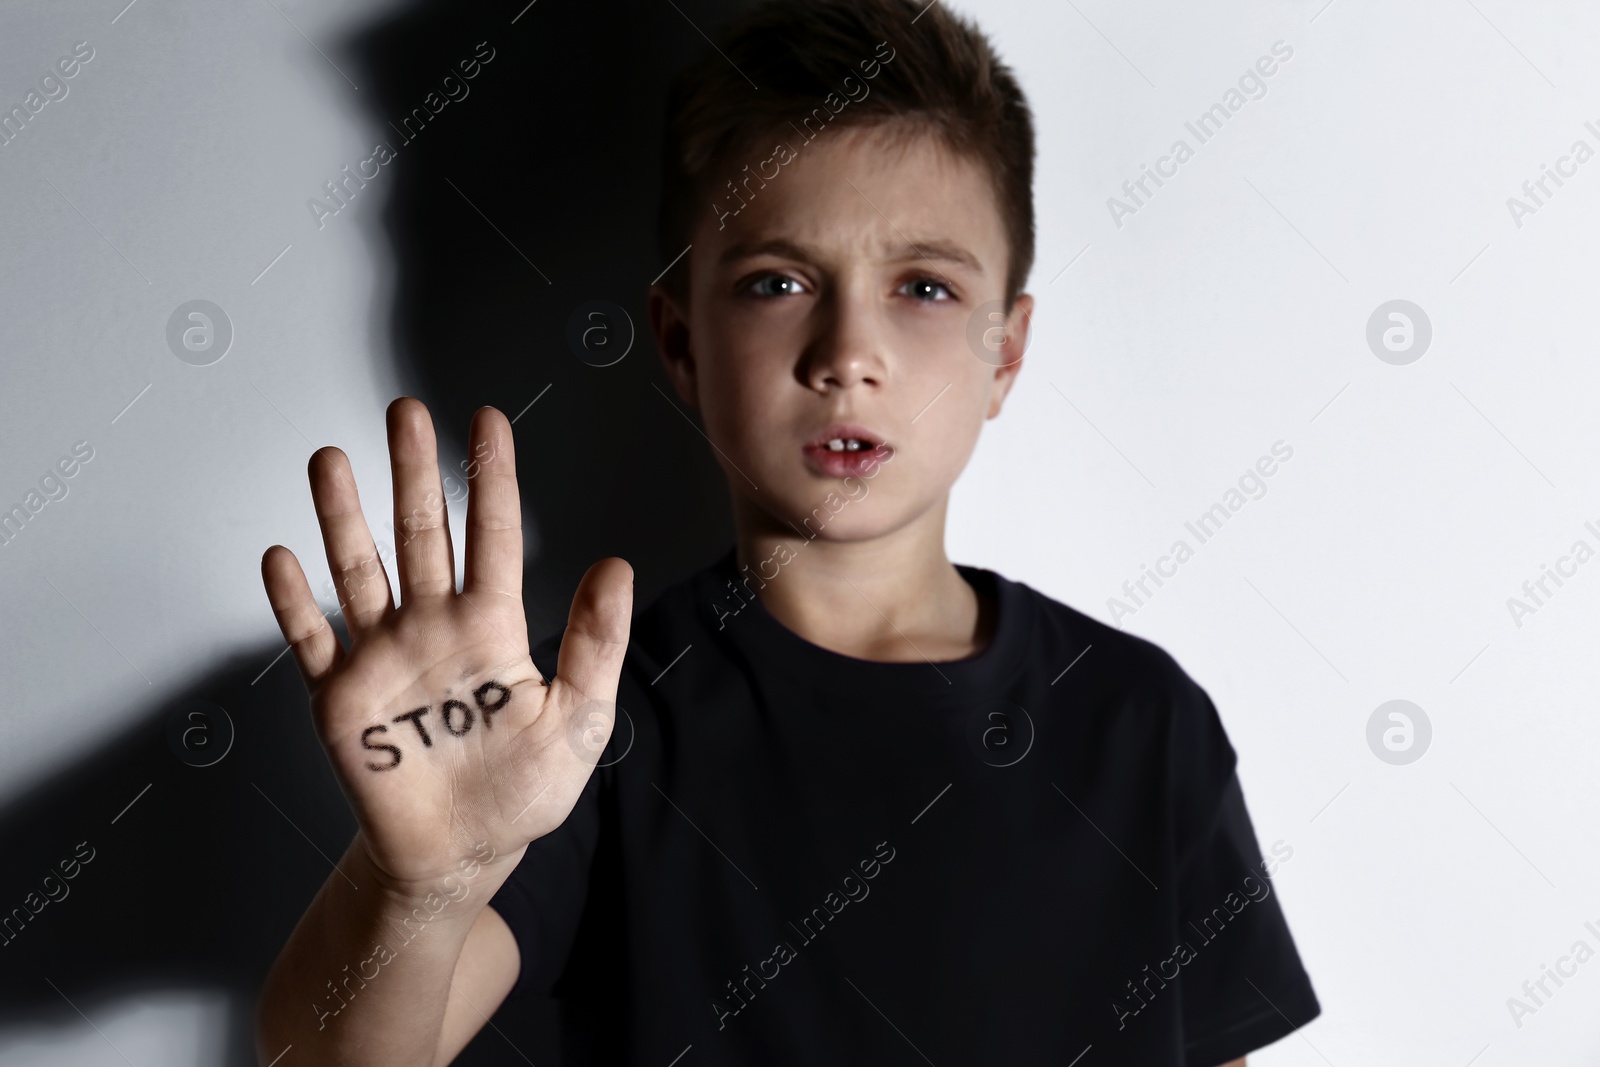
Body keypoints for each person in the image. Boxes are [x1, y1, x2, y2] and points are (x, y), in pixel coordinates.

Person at [253, 0, 1319, 1063]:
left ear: (1006, 351)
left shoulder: (1141, 719)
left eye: (923, 287)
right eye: (778, 282)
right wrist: (423, 887)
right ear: (680, 342)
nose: (846, 351)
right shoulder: (567, 728)